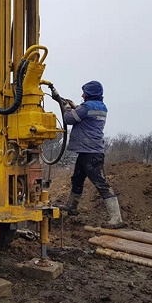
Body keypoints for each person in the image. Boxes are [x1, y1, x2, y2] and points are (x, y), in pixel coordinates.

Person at [60, 80, 126, 229]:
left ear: (90, 94)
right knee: (77, 179)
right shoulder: (101, 107)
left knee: (101, 183)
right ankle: (72, 207)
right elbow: (86, 115)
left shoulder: (87, 107)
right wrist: (76, 107)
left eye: (84, 92)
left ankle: (116, 218)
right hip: (88, 151)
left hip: (91, 153)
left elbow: (69, 119)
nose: (82, 94)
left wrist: (66, 107)